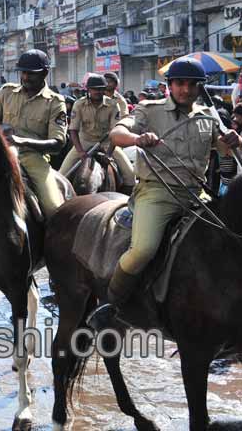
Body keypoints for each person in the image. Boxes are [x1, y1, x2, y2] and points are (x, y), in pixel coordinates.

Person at [87, 58, 240, 330]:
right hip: (157, 192)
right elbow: (117, 133)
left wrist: (234, 140)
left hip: (196, 195)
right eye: (180, 83)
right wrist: (137, 139)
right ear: (170, 85)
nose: (186, 90)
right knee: (144, 249)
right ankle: (111, 304)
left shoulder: (207, 116)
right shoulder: (149, 109)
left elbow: (225, 149)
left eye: (192, 85)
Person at [0, 49, 68, 218]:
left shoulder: (55, 102)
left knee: (54, 209)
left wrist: (22, 142)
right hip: (0, 155)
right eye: (23, 73)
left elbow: (58, 144)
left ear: (45, 73)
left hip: (33, 159)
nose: (25, 77)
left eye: (31, 74)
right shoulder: (6, 93)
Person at [58, 74, 136, 192]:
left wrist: (109, 153)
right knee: (61, 176)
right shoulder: (79, 104)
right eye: (95, 89)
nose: (98, 92)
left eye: (101, 89)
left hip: (107, 143)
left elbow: (115, 132)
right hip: (84, 143)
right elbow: (73, 130)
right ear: (88, 89)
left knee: (130, 175)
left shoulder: (113, 104)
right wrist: (80, 151)